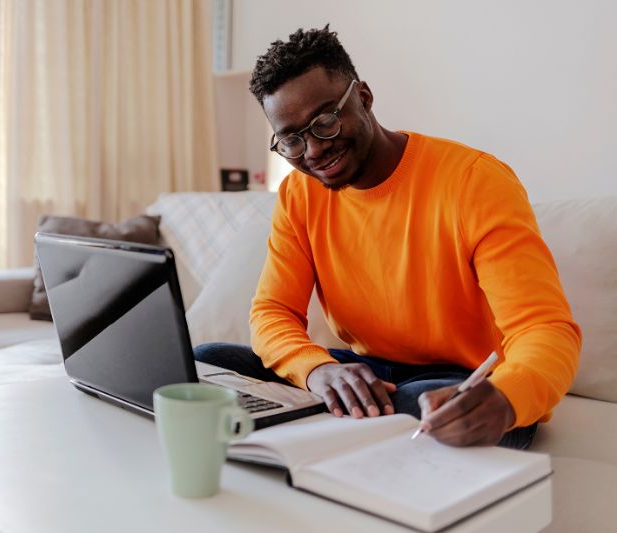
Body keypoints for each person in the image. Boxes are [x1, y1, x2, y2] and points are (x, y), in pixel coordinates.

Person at [195, 25, 581, 449]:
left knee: (425, 405)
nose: (313, 150)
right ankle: (340, 423)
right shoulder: (298, 195)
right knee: (207, 362)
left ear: (363, 97)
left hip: (464, 381)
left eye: (324, 122)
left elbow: (544, 328)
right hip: (371, 373)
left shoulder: (475, 181)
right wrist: (317, 371)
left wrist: (508, 399)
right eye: (291, 139)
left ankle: (330, 427)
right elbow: (272, 312)